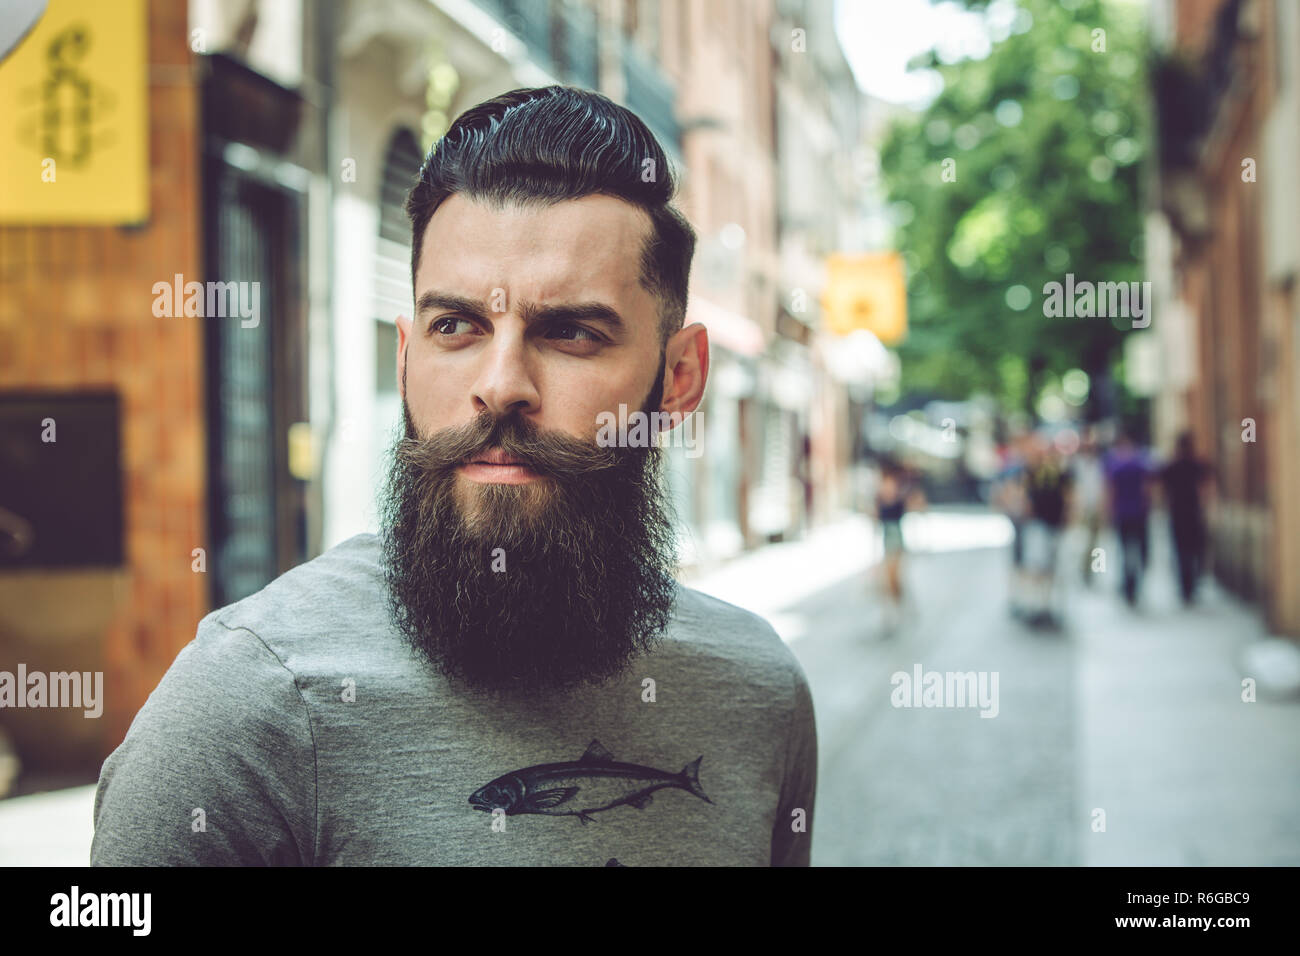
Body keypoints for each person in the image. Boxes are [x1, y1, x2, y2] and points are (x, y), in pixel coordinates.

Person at [91, 87, 816, 866]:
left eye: (570, 331)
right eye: (457, 327)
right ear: (406, 360)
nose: (501, 384)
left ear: (678, 376)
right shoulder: (247, 705)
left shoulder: (757, 694)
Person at [1020, 435, 1072, 628]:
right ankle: (1037, 605)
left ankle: (1048, 605)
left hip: (1054, 525)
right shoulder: (1032, 471)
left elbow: (1069, 496)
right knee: (1036, 566)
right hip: (1038, 524)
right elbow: (1025, 495)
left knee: (1052, 567)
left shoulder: (1061, 472)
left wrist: (1068, 516)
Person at [1160, 430, 1213, 604]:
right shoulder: (1196, 464)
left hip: (1178, 514)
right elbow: (1206, 487)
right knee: (1194, 549)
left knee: (1182, 550)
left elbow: (1162, 490)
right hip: (1193, 512)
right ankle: (1192, 583)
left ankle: (1185, 586)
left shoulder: (1172, 466)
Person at [871, 459, 925, 626]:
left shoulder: (900, 499)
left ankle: (897, 609)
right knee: (889, 579)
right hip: (886, 539)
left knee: (893, 577)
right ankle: (897, 608)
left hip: (897, 540)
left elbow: (919, 506)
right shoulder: (879, 498)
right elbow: (874, 518)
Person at [1104, 431, 1153, 607]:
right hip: (1139, 514)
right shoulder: (1139, 464)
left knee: (1125, 551)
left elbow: (1111, 491)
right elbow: (1147, 489)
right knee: (1139, 551)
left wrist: (1109, 512)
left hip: (1123, 514)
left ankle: (1128, 586)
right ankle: (1134, 585)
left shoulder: (1116, 466)